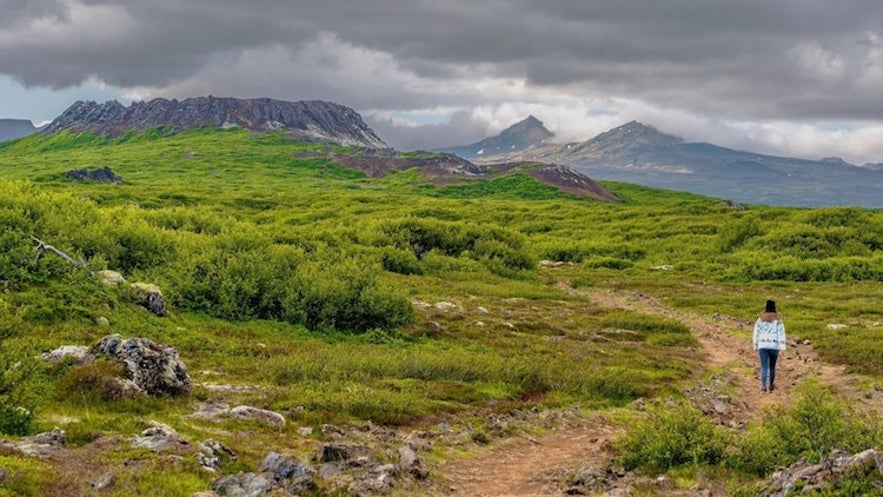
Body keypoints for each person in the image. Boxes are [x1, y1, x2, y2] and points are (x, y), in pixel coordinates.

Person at [753, 299, 786, 393]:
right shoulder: (778, 319)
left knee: (764, 366)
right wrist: (782, 346)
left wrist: (755, 344)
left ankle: (763, 387)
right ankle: (771, 385)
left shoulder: (760, 319)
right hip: (774, 345)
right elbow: (781, 333)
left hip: (762, 344)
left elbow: (756, 332)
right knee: (772, 366)